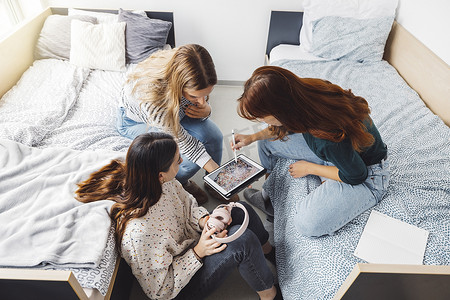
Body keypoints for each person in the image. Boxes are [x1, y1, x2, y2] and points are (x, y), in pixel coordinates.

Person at [75, 132, 280, 300]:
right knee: (241, 240)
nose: (182, 161)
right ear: (159, 174)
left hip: (193, 242)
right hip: (180, 287)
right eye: (176, 161)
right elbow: (160, 291)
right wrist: (199, 251)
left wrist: (205, 221)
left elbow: (188, 206)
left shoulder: (165, 182)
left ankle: (269, 251)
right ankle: (269, 294)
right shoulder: (139, 234)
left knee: (239, 208)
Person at [232, 66, 390, 237]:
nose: (260, 120)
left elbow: (357, 175)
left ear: (280, 112)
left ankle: (318, 176)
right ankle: (269, 198)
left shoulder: (326, 136)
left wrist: (309, 168)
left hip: (368, 175)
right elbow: (284, 126)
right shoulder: (303, 95)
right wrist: (251, 137)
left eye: (261, 116)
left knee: (305, 223)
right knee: (266, 141)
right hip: (342, 153)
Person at [116, 44, 237, 204]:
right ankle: (181, 184)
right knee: (181, 159)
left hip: (174, 111)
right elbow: (186, 144)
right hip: (136, 122)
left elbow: (199, 107)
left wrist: (206, 110)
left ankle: (212, 183)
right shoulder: (153, 98)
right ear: (178, 85)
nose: (201, 101)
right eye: (195, 96)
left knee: (214, 135)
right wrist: (222, 175)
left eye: (206, 95)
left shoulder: (188, 69)